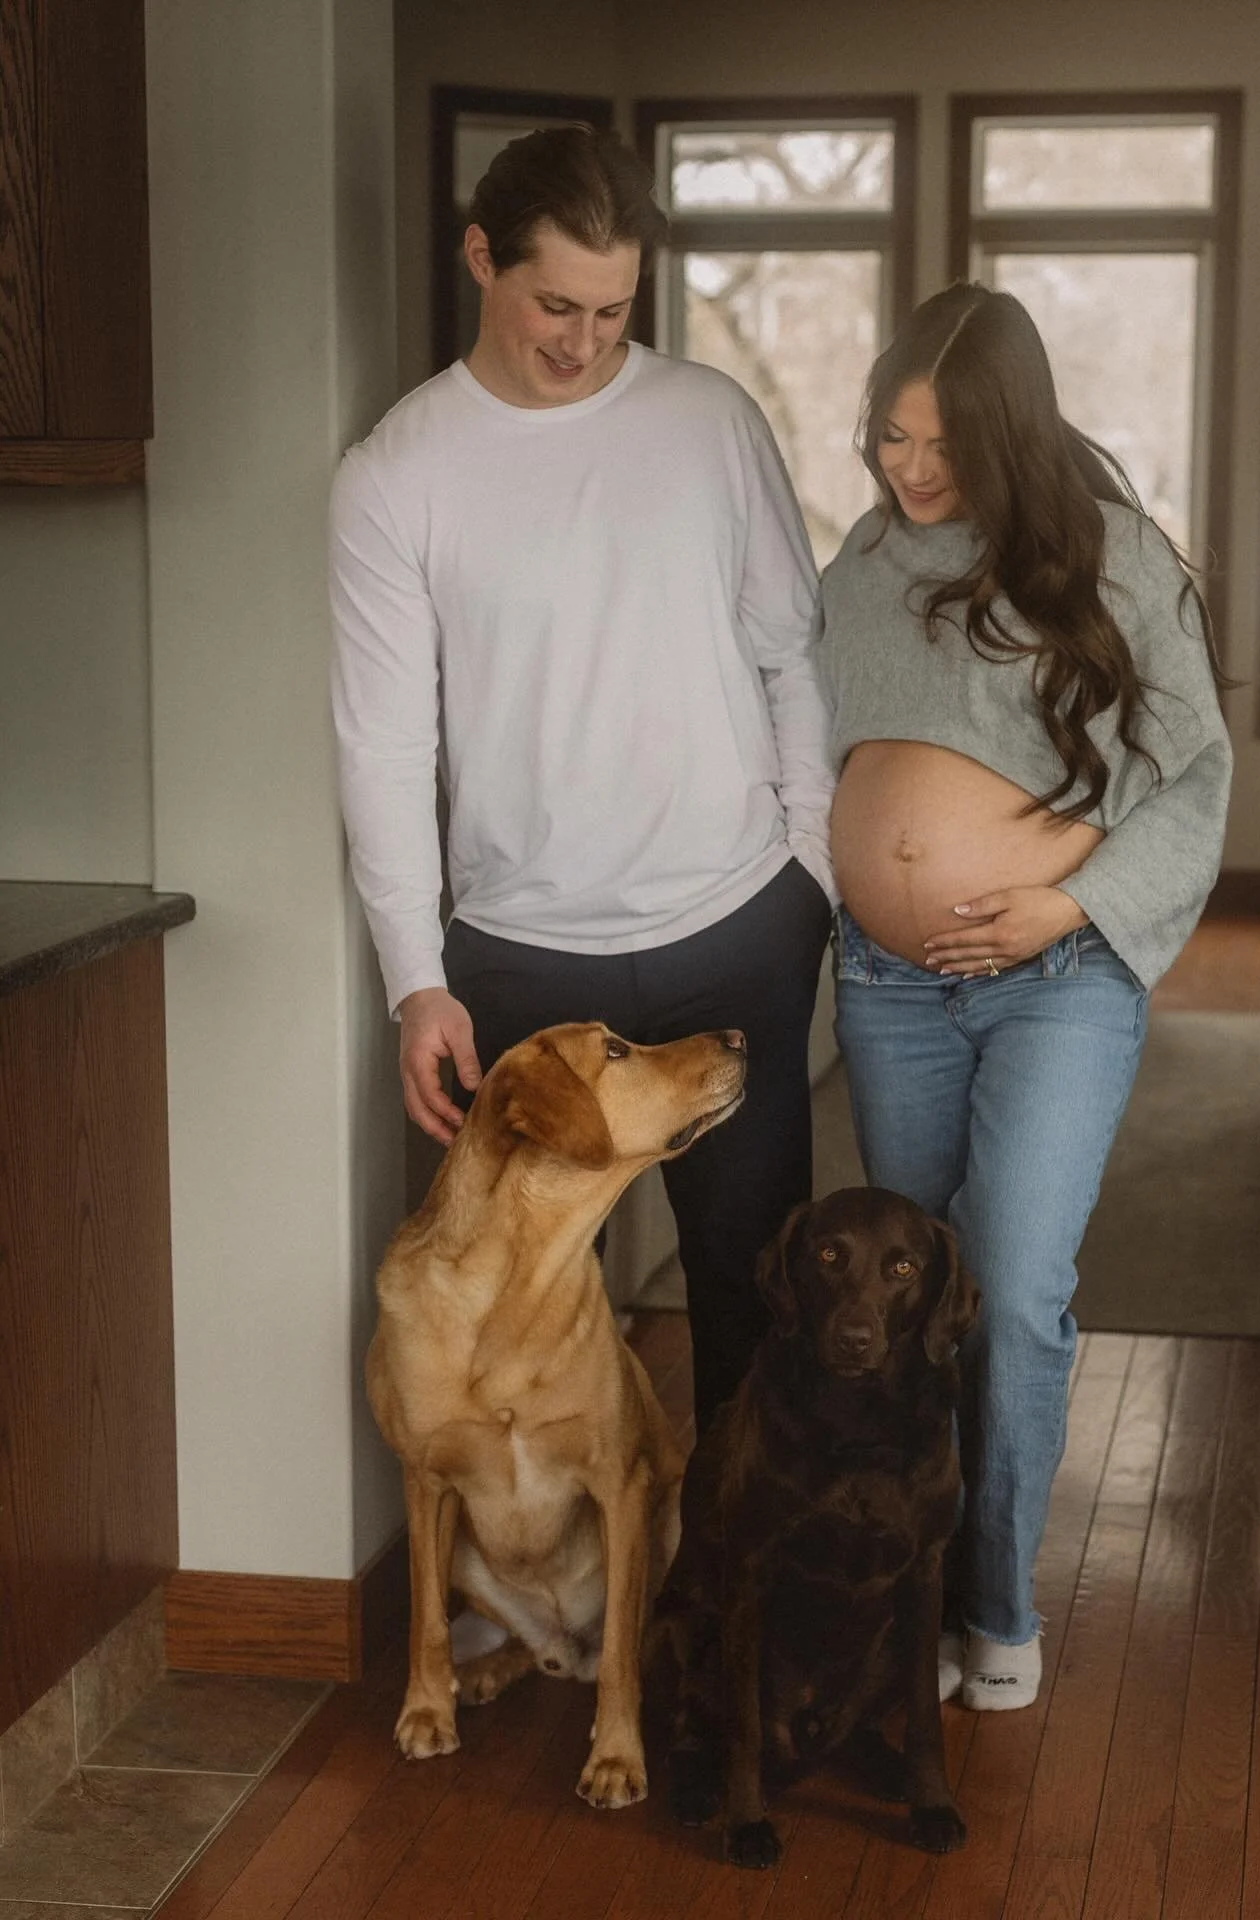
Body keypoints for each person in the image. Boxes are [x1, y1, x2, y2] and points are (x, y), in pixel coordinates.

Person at [330, 125, 835, 1430]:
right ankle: (569, 1615)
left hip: (735, 930)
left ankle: (724, 1620)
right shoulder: (398, 473)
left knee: (752, 1296)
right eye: (556, 304)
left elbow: (792, 654)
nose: (585, 339)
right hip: (518, 960)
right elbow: (383, 739)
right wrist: (415, 979)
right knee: (524, 1309)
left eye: (614, 310)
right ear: (481, 257)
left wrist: (810, 882)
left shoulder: (709, 421)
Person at [816, 282, 1232, 1711]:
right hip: (885, 984)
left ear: (1014, 433)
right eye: (889, 436)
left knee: (1017, 1286)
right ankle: (910, 1592)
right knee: (908, 1299)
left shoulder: (1110, 558)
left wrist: (1071, 901)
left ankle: (994, 1601)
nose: (912, 470)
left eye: (944, 444)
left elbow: (1195, 775)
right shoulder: (864, 565)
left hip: (1058, 978)